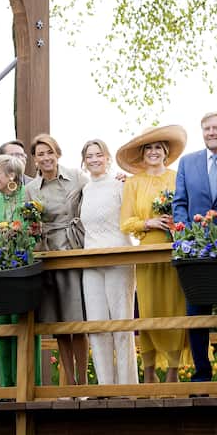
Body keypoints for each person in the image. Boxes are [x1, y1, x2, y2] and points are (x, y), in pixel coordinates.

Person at [172, 111, 217, 382]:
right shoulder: (188, 163)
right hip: (196, 250)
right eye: (206, 129)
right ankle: (202, 372)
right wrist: (185, 233)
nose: (210, 133)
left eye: (215, 128)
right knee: (195, 312)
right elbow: (180, 203)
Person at [119, 124, 189, 384]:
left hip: (173, 250)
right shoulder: (133, 183)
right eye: (148, 148)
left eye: (158, 147)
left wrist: (175, 223)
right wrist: (148, 223)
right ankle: (148, 369)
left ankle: (173, 369)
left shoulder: (176, 177)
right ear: (142, 153)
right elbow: (126, 222)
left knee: (174, 307)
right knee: (147, 309)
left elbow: (187, 208)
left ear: (166, 151)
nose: (153, 152)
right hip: (147, 251)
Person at [29, 134, 90, 386]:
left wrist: (118, 180)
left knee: (77, 320)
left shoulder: (76, 176)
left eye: (49, 152)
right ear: (34, 159)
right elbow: (28, 221)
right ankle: (70, 381)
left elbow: (97, 189)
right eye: (40, 154)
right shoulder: (31, 188)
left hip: (74, 248)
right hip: (48, 253)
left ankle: (84, 380)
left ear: (58, 154)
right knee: (60, 323)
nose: (46, 158)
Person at [78, 139, 138, 386]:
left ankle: (127, 386)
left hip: (119, 257)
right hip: (90, 259)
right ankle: (105, 385)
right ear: (84, 160)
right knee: (97, 324)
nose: (94, 159)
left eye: (98, 155)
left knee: (121, 323)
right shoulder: (85, 189)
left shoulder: (120, 184)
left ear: (107, 158)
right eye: (89, 155)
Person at [0, 154, 31, 389]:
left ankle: (29, 383)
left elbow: (33, 231)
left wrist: (18, 236)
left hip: (23, 270)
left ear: (11, 175)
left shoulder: (28, 195)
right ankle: (6, 388)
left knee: (24, 327)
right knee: (1, 328)